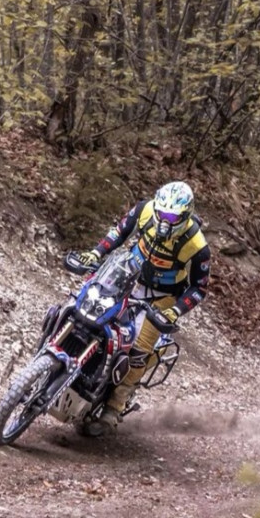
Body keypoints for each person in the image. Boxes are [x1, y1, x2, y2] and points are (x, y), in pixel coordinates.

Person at [75, 181, 211, 436]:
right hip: (127, 275)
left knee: (138, 352)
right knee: (83, 308)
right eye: (161, 214)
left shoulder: (197, 245)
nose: (164, 222)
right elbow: (119, 233)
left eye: (172, 218)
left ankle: (113, 408)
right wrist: (95, 254)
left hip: (162, 297)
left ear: (185, 216)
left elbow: (199, 287)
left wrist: (175, 311)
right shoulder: (144, 210)